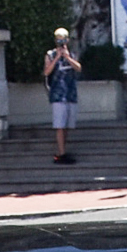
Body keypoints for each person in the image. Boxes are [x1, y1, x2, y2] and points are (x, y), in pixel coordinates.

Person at [43, 28, 82, 165]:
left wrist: (67, 57)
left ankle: (63, 150)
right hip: (58, 95)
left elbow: (78, 68)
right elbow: (46, 72)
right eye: (59, 40)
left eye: (63, 39)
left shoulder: (72, 54)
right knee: (59, 125)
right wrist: (58, 58)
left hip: (70, 94)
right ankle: (61, 153)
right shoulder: (50, 55)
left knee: (66, 126)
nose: (61, 42)